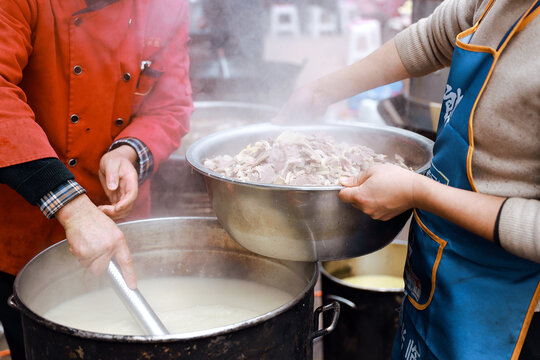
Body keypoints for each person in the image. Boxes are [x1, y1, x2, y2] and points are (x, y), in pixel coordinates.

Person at [276, 0, 540, 358]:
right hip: (439, 263)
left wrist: (419, 191)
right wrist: (321, 90)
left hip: (515, 309)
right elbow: (432, 39)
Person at [0, 0, 193, 359]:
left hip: (123, 230)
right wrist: (71, 208)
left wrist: (130, 152)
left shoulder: (166, 6)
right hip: (24, 226)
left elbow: (170, 106)